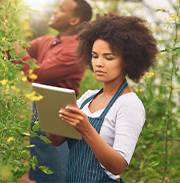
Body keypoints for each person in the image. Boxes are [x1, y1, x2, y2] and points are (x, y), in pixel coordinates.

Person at [46, 12, 159, 182]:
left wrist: (86, 129)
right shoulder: (87, 98)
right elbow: (56, 141)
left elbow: (118, 165)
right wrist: (55, 119)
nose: (99, 63)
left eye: (108, 57)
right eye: (94, 56)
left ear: (127, 60)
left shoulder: (129, 104)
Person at [13, 0, 92, 183]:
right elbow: (18, 52)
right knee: (41, 168)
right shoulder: (48, 41)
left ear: (74, 20)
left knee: (55, 173)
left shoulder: (76, 50)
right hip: (39, 109)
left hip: (60, 114)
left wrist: (8, 37)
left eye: (62, 9)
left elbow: (36, 73)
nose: (55, 11)